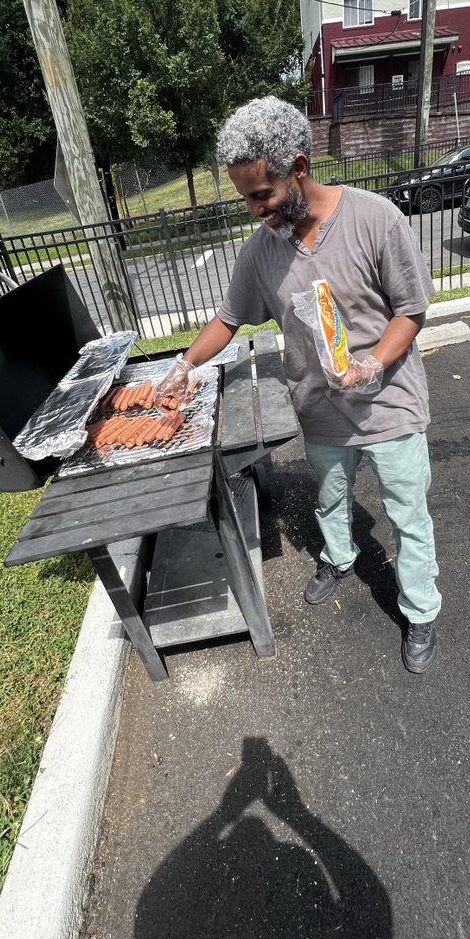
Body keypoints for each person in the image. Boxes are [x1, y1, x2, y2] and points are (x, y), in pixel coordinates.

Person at [159, 96, 441, 674]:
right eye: (246, 198)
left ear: (299, 169)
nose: (255, 210)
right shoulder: (262, 251)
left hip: (389, 404)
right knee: (330, 496)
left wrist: (371, 366)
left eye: (262, 195)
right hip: (321, 408)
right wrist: (185, 364)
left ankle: (420, 611)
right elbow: (227, 319)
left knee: (407, 514)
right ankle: (339, 557)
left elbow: (411, 310)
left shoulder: (374, 218)